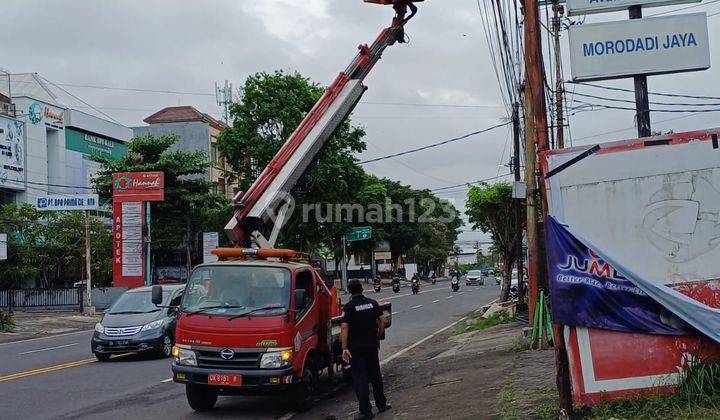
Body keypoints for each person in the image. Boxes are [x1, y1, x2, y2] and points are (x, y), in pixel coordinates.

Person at [341, 279, 390, 419]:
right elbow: (382, 320)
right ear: (362, 289)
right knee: (375, 376)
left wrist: (344, 347)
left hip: (356, 349)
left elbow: (344, 327)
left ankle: (365, 411)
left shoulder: (349, 307)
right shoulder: (372, 303)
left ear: (350, 291)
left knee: (360, 378)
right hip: (371, 346)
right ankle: (381, 404)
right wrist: (378, 337)